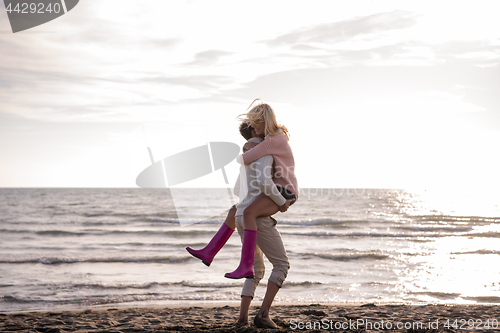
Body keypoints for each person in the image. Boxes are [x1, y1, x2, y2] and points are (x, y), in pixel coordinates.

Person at [185, 122, 289, 267]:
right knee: (279, 265)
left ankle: (210, 251)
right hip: (257, 213)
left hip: (243, 215)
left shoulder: (246, 158)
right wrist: (280, 202)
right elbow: (265, 182)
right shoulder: (265, 153)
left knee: (235, 210)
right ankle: (217, 255)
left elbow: (236, 189)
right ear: (254, 131)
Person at [225, 99, 298, 280]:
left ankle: (246, 265)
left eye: (257, 121)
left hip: (284, 190)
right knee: (236, 210)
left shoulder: (273, 140)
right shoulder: (272, 139)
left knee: (248, 212)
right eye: (251, 122)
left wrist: (282, 204)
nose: (253, 126)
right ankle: (211, 252)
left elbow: (242, 159)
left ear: (266, 120)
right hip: (276, 189)